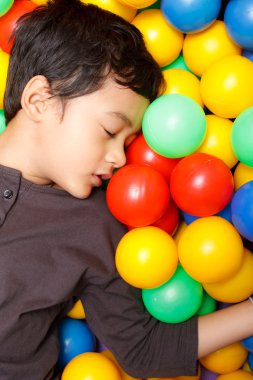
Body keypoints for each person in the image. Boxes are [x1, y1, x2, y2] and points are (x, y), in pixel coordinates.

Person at [0, 0, 252, 379]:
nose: (119, 157)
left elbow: (143, 348)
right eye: (108, 131)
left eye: (128, 140)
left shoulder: (95, 222)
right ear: (40, 100)